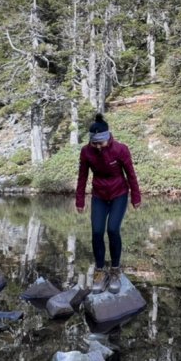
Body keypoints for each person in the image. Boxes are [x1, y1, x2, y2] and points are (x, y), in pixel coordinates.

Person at [75, 113, 141, 294]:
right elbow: (82, 177)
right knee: (97, 231)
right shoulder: (86, 151)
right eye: (93, 143)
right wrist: (79, 199)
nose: (97, 147)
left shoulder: (120, 150)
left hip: (119, 193)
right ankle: (99, 271)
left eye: (100, 143)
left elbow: (131, 174)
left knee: (112, 229)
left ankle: (115, 270)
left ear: (107, 138)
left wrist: (136, 197)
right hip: (99, 195)